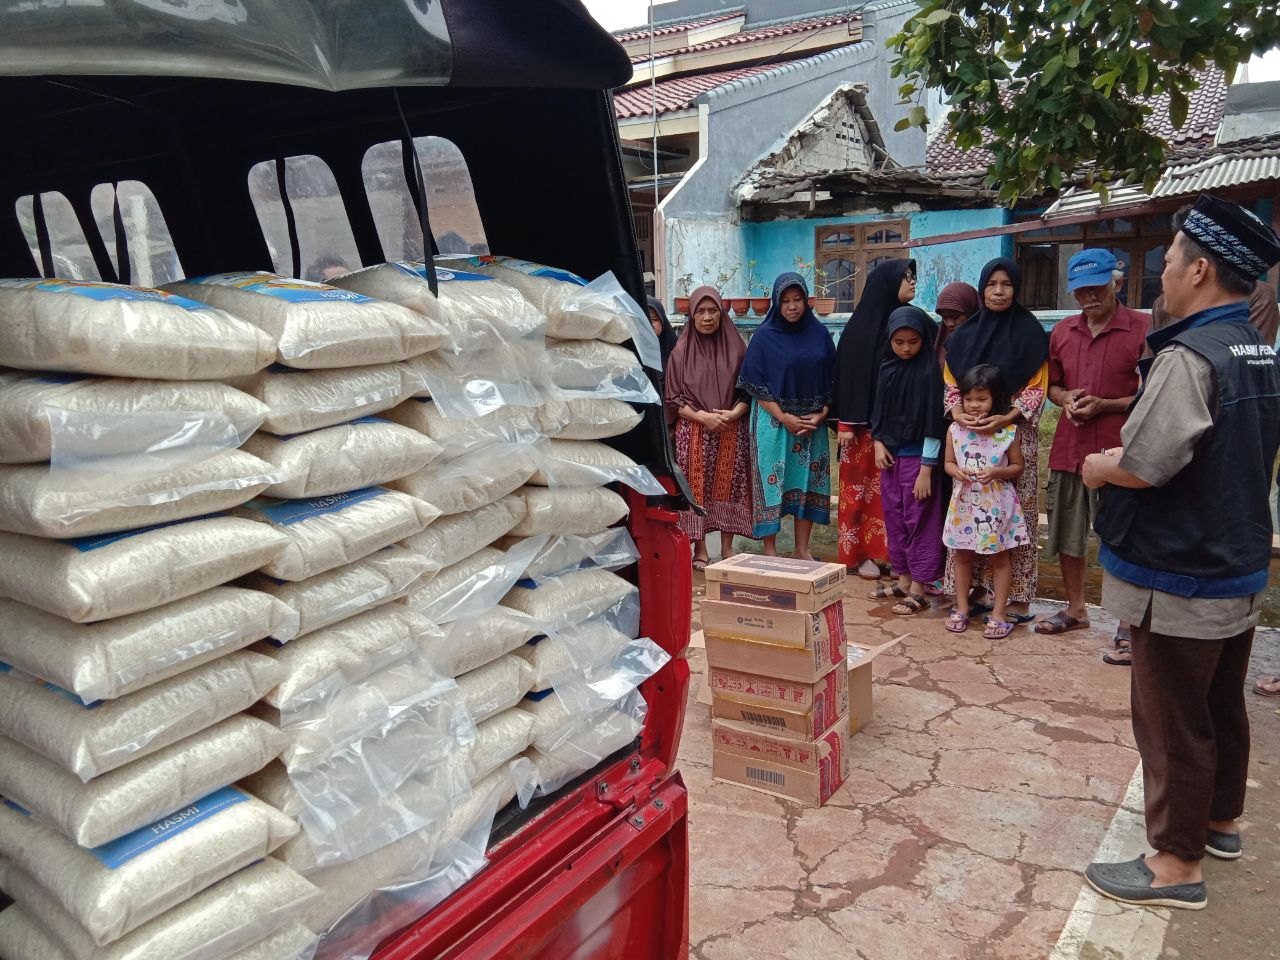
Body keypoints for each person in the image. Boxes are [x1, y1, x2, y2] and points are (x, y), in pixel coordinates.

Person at [1082, 196, 1280, 910]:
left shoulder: (1192, 356)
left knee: (1171, 720)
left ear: (1200, 270)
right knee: (1219, 704)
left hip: (1181, 568)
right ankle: (1219, 823)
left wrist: (1101, 466)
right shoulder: (1257, 348)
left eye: (1166, 260)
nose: (1159, 273)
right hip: (1233, 558)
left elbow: (1145, 463)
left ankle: (1174, 864)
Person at [1035, 250, 1149, 665]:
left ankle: (1127, 624)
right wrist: (1067, 398)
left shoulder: (1142, 328)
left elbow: (1150, 393)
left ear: (1117, 282)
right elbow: (1052, 386)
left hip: (1121, 451)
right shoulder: (1063, 331)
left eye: (1097, 287)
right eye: (1081, 290)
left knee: (1124, 535)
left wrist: (1107, 405)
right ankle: (1076, 608)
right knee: (1068, 531)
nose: (1089, 297)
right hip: (1071, 447)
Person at [941, 258, 1049, 622]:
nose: (999, 292)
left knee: (1014, 516)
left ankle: (1016, 597)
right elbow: (951, 383)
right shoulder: (964, 337)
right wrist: (958, 412)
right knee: (970, 512)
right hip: (969, 438)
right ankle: (972, 591)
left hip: (1013, 436)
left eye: (1006, 284)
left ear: (1016, 288)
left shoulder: (1031, 334)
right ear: (982, 289)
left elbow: (1037, 387)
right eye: (991, 284)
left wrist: (1008, 417)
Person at [737, 272, 837, 559]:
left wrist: (822, 415)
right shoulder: (764, 336)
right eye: (785, 301)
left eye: (797, 299)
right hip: (774, 423)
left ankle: (802, 549)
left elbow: (833, 380)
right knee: (772, 484)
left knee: (807, 483)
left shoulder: (819, 335)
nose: (792, 306)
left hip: (811, 426)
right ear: (776, 303)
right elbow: (755, 385)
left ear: (806, 300)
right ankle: (769, 549)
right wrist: (784, 417)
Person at [831, 258, 917, 577]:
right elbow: (846, 376)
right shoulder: (860, 328)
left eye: (913, 276)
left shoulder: (907, 325)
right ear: (888, 283)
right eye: (906, 277)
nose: (912, 282)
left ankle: (891, 554)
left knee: (892, 496)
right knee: (857, 493)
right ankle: (857, 555)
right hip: (860, 431)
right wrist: (845, 421)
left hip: (896, 429)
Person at [664, 286, 753, 570]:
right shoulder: (680, 353)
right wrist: (704, 418)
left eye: (713, 310)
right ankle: (700, 549)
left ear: (721, 313)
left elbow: (750, 390)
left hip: (731, 428)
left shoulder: (738, 349)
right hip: (695, 431)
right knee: (696, 490)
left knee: (729, 489)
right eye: (700, 311)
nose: (707, 317)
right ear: (691, 315)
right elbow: (673, 399)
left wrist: (734, 413)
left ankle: (727, 548)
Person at [942, 364, 1032, 637]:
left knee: (1000, 557)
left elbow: (1018, 467)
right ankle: (961, 607)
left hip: (996, 505)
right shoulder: (955, 430)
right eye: (968, 399)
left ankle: (999, 613)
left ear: (996, 398)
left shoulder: (1008, 431)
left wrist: (997, 472)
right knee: (962, 555)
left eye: (981, 399)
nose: (973, 405)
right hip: (965, 503)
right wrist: (956, 472)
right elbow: (948, 463)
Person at [868, 306, 946, 615]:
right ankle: (902, 579)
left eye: (912, 342)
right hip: (890, 457)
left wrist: (926, 470)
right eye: (898, 342)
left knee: (919, 519)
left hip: (918, 460)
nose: (905, 348)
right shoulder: (887, 367)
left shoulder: (929, 373)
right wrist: (878, 442)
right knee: (895, 516)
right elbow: (877, 410)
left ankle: (919, 589)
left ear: (923, 339)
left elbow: (933, 423)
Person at [1152, 279, 1279, 345]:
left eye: (1169, 261)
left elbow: (1250, 362)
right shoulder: (1162, 303)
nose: (1163, 275)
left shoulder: (1259, 294)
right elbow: (1147, 368)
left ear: (1200, 267)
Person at [934, 281, 980, 368]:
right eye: (944, 318)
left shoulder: (985, 342)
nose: (949, 324)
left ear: (971, 311)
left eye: (955, 317)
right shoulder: (942, 344)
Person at [646, 296, 679, 366]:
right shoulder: (628, 353)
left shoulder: (676, 351)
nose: (650, 325)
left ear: (662, 321)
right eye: (645, 319)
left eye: (655, 319)